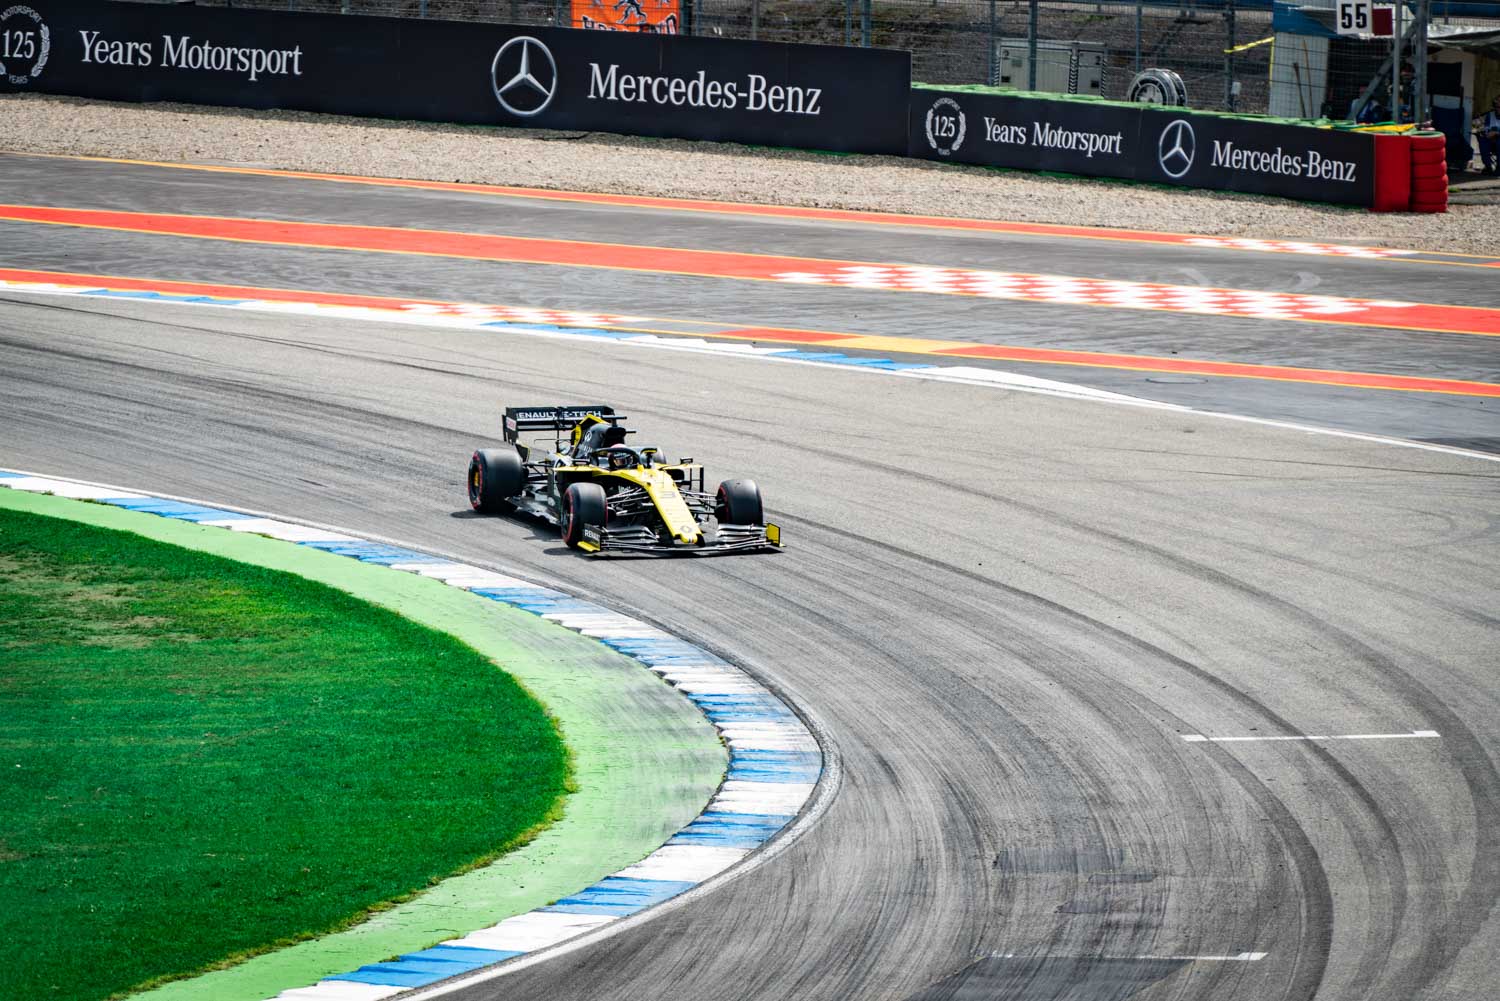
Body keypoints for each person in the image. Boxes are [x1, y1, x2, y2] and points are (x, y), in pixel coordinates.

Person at [1476, 95, 1500, 175]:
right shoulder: (1490, 115)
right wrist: (1486, 133)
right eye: (1497, 106)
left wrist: (1496, 132)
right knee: (1482, 140)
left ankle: (1499, 168)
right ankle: (1488, 166)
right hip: (1491, 140)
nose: (1498, 108)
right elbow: (1486, 128)